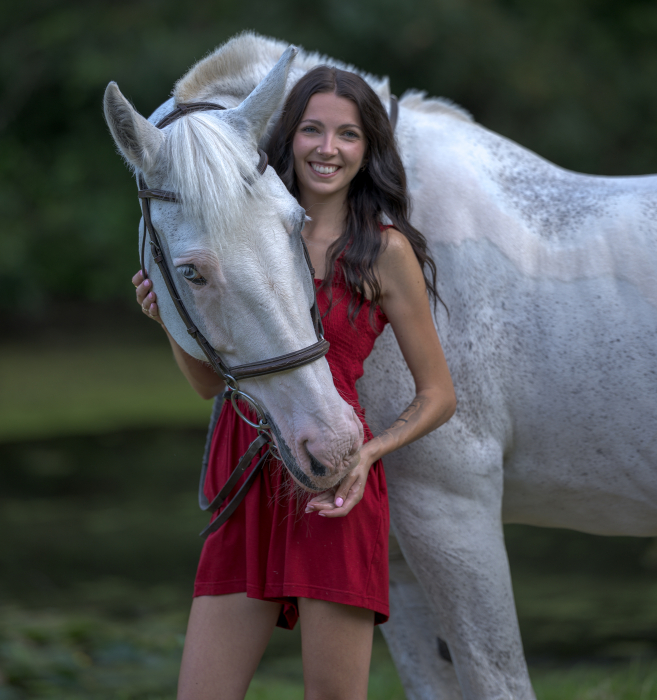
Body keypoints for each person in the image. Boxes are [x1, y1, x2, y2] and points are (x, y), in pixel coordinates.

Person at [133, 66, 456, 700]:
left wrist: (370, 454)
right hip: (244, 471)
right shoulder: (235, 230)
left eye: (347, 134)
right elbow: (208, 386)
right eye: (312, 130)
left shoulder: (384, 252)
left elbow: (438, 394)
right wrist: (169, 318)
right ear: (288, 137)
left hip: (333, 473)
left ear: (367, 149)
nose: (327, 148)